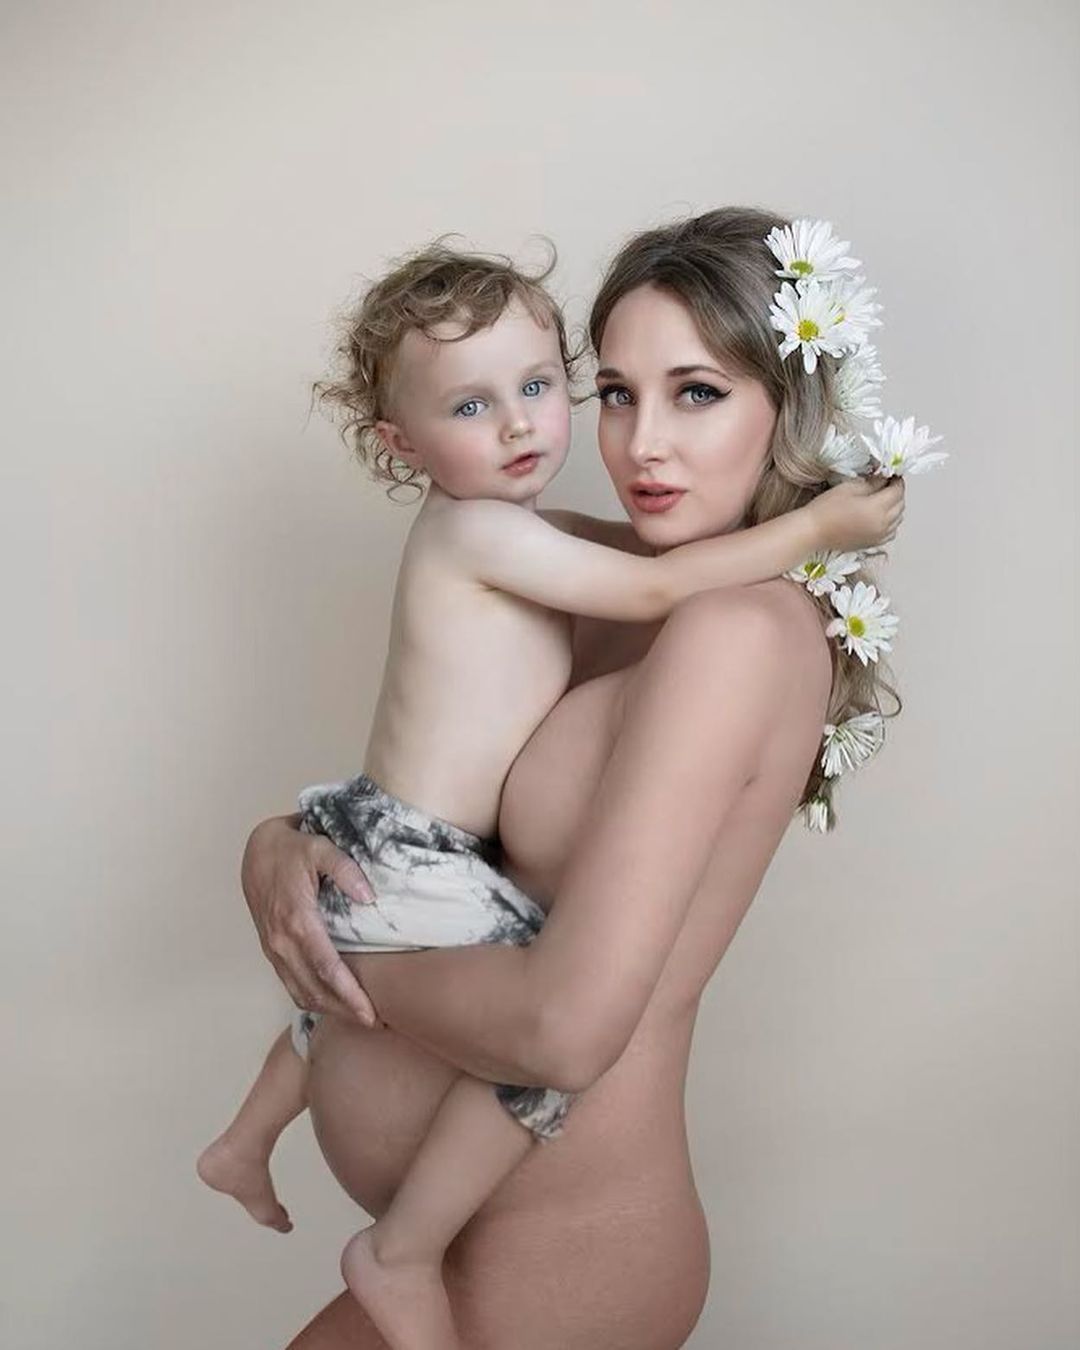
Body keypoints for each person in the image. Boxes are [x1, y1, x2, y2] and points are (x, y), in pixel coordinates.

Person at [197, 240, 900, 1350]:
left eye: (698, 393)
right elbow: (433, 781)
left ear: (788, 402)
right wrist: (274, 849)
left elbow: (564, 1036)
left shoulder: (736, 630)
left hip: (562, 1253)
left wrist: (344, 948)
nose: (642, 442)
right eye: (615, 392)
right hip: (484, 1244)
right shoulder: (579, 562)